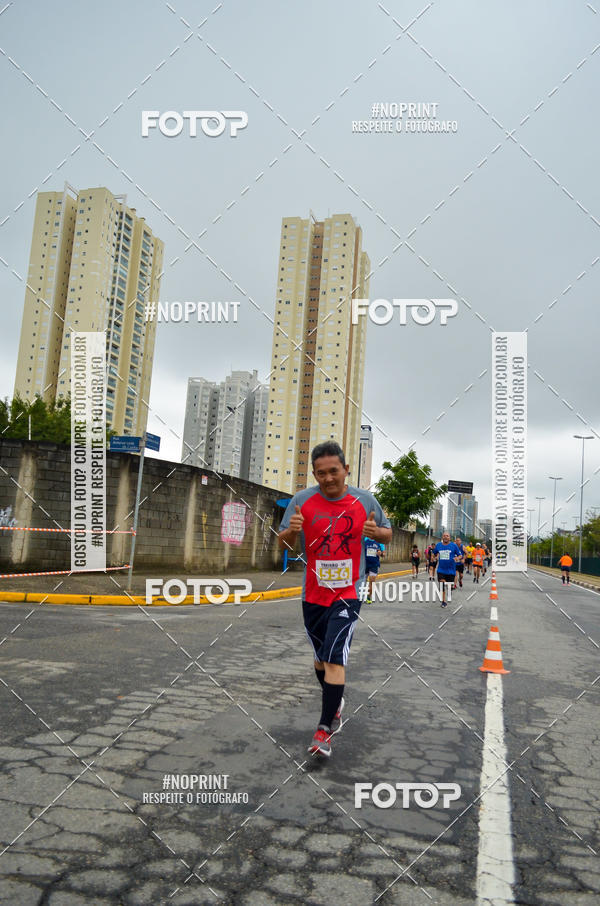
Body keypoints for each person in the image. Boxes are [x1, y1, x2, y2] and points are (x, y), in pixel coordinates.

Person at [278, 441, 392, 759]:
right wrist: (292, 532)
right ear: (314, 474)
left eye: (334, 471)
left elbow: (387, 532)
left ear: (345, 469)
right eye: (321, 473)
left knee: (334, 659)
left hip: (347, 592)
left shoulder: (364, 500)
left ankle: (324, 730)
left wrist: (376, 532)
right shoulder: (301, 501)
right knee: (319, 658)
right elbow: (283, 541)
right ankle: (335, 700)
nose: (328, 478)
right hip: (313, 594)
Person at [433, 532, 462, 607]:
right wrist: (434, 557)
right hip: (441, 570)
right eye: (444, 536)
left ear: (450, 538)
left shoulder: (454, 546)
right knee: (442, 584)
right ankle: (443, 602)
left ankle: (449, 590)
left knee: (449, 587)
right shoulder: (438, 545)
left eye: (447, 536)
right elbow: (434, 553)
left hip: (451, 571)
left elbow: (460, 555)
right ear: (442, 537)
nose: (446, 537)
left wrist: (457, 558)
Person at [364, 536, 382, 603]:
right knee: (362, 582)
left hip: (374, 565)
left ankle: (368, 597)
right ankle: (361, 596)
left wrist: (381, 553)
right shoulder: (365, 539)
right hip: (364, 564)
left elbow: (384, 553)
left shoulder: (379, 542)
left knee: (372, 580)